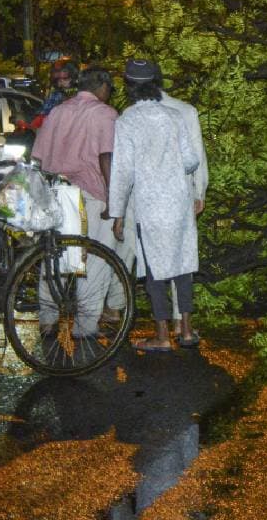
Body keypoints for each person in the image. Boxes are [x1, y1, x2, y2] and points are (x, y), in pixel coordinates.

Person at [110, 59, 201, 352]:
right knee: (183, 265)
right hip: (179, 202)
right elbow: (191, 161)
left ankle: (162, 336)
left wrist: (117, 212)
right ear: (156, 81)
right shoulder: (175, 116)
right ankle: (186, 330)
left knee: (154, 270)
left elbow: (122, 171)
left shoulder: (126, 121)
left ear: (129, 86)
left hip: (149, 205)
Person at [29, 65, 122, 336]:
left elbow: (39, 157)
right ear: (102, 86)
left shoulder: (58, 112)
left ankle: (47, 319)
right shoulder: (106, 114)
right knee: (95, 260)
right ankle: (84, 326)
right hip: (91, 195)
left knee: (54, 256)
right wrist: (112, 201)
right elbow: (107, 157)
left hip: (57, 193)